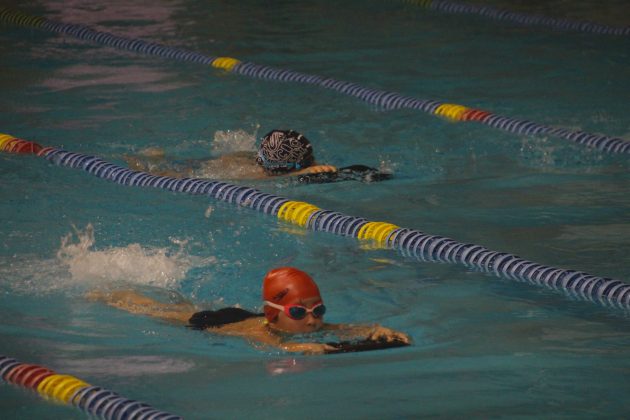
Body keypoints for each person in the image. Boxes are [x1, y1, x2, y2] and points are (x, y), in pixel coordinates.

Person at [89, 267, 410, 355]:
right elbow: (279, 347)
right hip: (219, 322)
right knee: (162, 312)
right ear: (273, 315)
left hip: (247, 314)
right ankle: (111, 294)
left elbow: (341, 329)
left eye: (319, 310)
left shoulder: (313, 325)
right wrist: (302, 348)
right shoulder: (265, 332)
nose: (313, 319)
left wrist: (375, 330)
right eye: (299, 313)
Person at [125, 129, 392, 183]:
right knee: (176, 172)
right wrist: (302, 174)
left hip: (243, 160)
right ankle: (146, 165)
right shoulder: (249, 174)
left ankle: (152, 159)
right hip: (219, 169)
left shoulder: (255, 161)